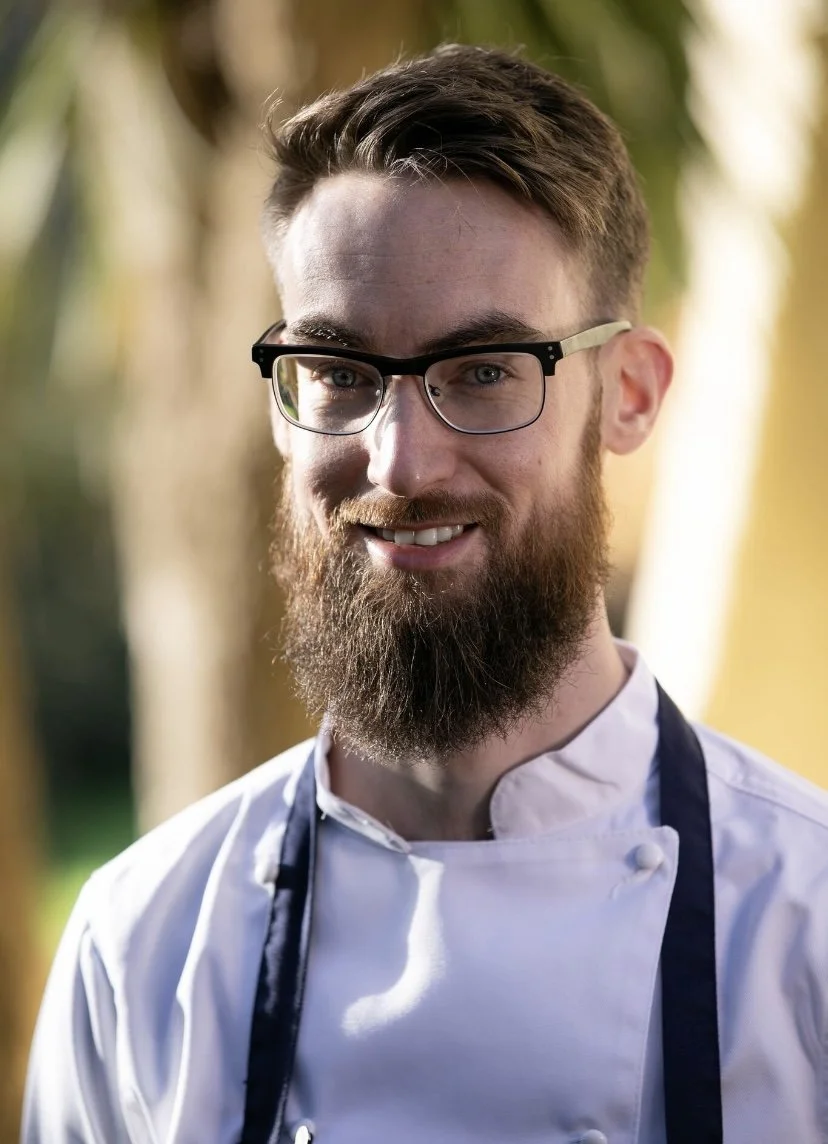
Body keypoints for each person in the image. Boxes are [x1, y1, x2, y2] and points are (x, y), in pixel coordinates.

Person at [22, 43, 828, 1144]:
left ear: (630, 394)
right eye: (339, 373)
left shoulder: (808, 923)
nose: (400, 465)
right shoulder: (142, 947)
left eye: (485, 369)